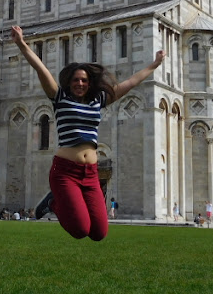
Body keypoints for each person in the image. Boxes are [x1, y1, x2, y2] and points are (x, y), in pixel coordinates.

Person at [13, 25, 166, 241]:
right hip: (65, 171)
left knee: (99, 233)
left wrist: (154, 64)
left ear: (90, 83)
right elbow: (41, 70)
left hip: (91, 173)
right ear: (69, 82)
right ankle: (53, 203)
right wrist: (21, 44)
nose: (80, 83)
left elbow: (131, 83)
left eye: (84, 80)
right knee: (80, 230)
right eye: (76, 80)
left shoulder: (98, 101)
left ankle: (56, 203)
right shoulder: (60, 98)